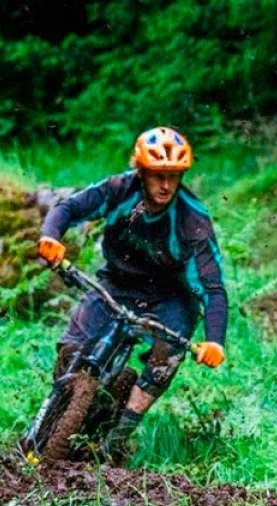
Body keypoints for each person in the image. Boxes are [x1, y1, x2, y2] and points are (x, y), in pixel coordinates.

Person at [37, 126, 227, 458]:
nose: (166, 185)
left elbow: (212, 287)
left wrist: (215, 340)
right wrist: (52, 236)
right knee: (70, 348)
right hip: (116, 283)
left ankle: (116, 439)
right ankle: (59, 407)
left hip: (170, 297)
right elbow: (68, 209)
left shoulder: (192, 219)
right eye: (157, 175)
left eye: (174, 176)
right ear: (141, 171)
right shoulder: (118, 189)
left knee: (165, 360)